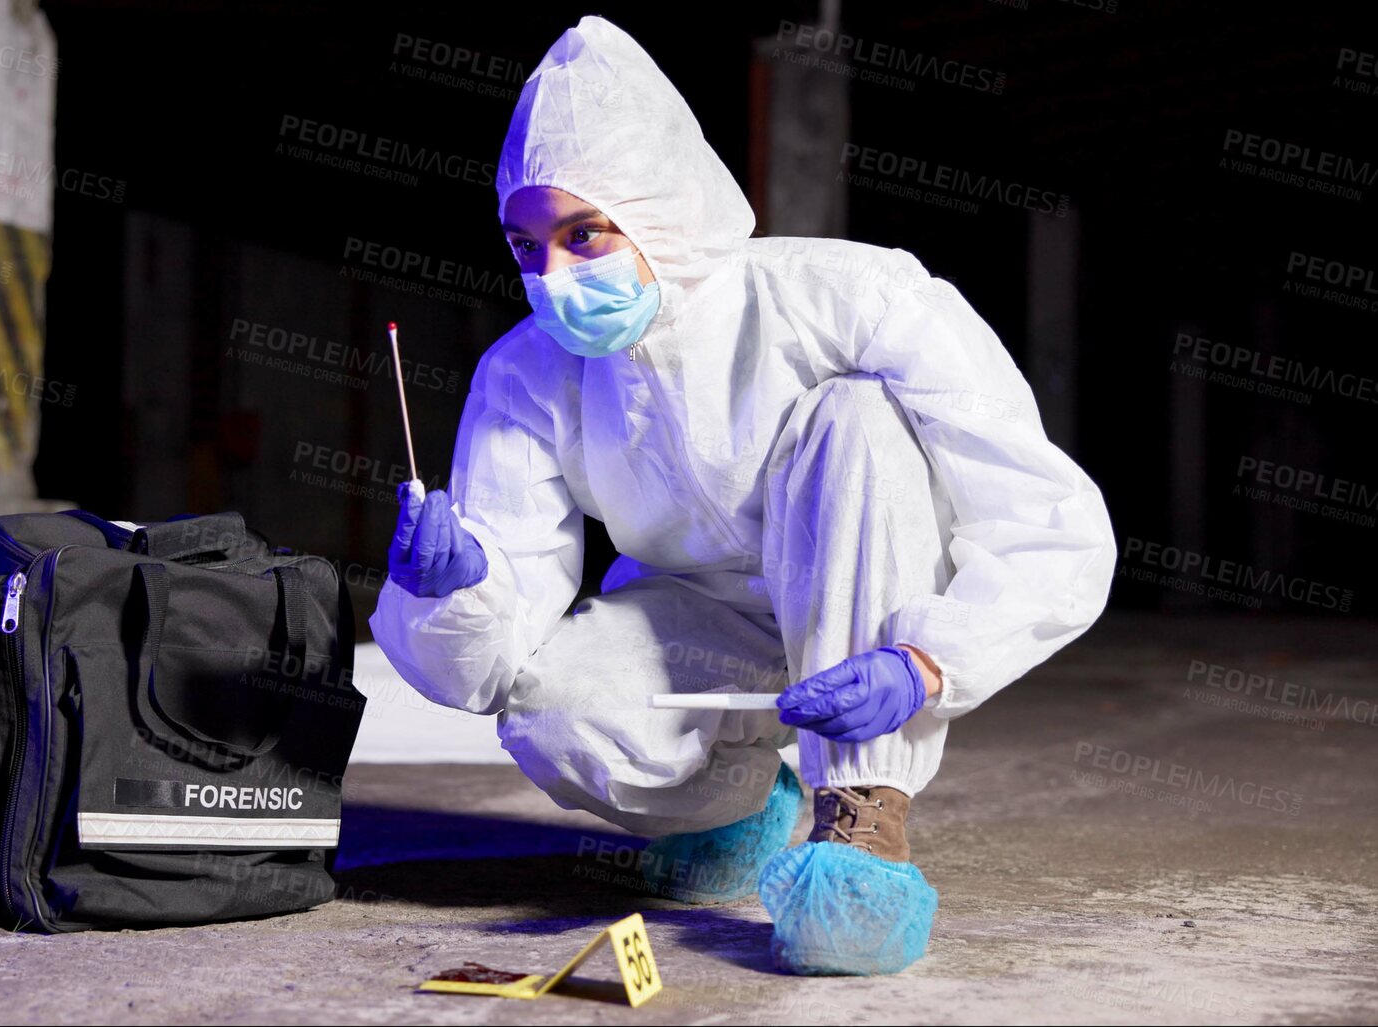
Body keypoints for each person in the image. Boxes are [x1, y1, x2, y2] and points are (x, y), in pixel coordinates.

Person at [367, 15, 1117, 975]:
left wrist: (928, 663)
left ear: (660, 208)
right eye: (526, 246)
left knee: (854, 418)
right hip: (700, 622)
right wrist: (455, 586)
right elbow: (492, 650)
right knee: (553, 710)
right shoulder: (526, 371)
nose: (553, 279)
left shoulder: (860, 299)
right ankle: (739, 799)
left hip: (867, 606)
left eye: (584, 233)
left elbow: (1045, 520)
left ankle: (858, 813)